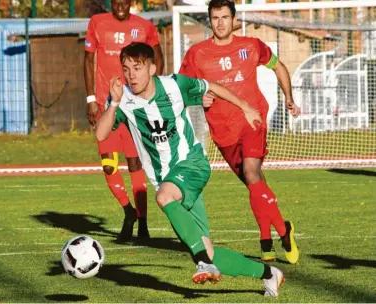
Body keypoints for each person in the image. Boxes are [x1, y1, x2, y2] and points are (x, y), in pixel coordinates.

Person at [95, 42, 285, 296]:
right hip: (167, 178)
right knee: (208, 250)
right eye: (126, 69)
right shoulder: (124, 99)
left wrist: (245, 107)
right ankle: (269, 274)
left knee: (164, 197)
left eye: (137, 68)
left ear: (151, 68)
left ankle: (202, 262)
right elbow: (100, 133)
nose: (131, 75)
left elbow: (211, 86)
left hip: (192, 164)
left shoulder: (175, 85)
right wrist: (114, 103)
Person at [179, 0, 300, 264]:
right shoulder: (197, 54)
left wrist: (288, 97)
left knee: (251, 172)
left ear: (234, 20)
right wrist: (198, 98)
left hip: (252, 119)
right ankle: (280, 231)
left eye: (225, 17)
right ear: (209, 21)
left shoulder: (251, 46)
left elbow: (278, 67)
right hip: (223, 132)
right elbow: (182, 89)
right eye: (215, 18)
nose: (220, 22)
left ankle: (271, 238)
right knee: (254, 183)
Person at [84, 0, 164, 241]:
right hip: (105, 106)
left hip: (133, 107)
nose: (120, 2)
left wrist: (149, 96)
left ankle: (143, 223)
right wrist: (90, 99)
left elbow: (158, 60)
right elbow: (88, 61)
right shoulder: (97, 22)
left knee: (135, 164)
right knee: (109, 165)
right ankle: (128, 211)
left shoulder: (146, 26)